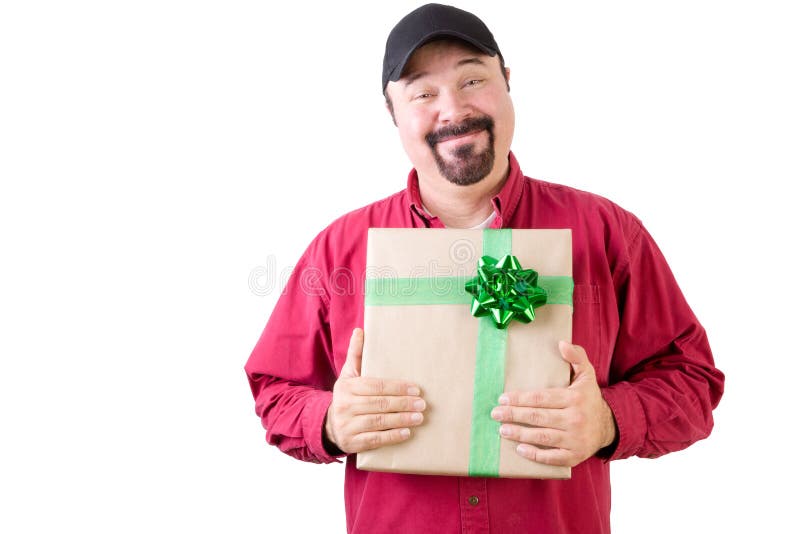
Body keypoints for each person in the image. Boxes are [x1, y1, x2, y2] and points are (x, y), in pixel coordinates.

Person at [245, 4, 725, 533]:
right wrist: (331, 420)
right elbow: (274, 389)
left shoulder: (608, 234)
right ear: (392, 112)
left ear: (508, 82)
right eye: (423, 93)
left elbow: (693, 380)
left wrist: (609, 420)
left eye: (472, 79)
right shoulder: (339, 250)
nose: (452, 109)